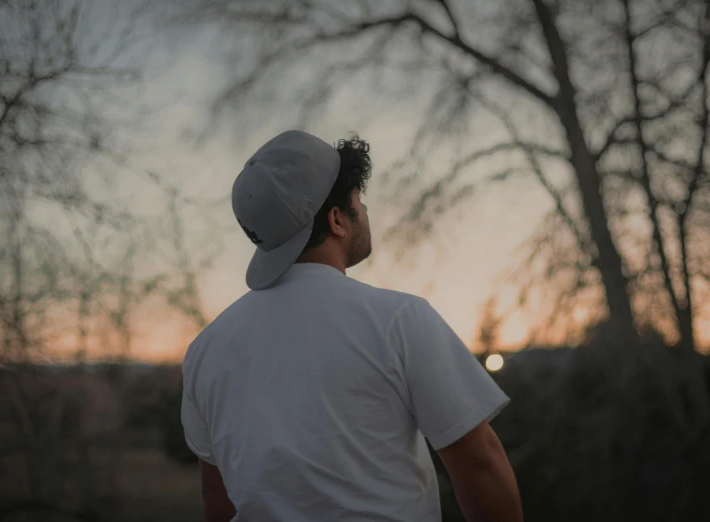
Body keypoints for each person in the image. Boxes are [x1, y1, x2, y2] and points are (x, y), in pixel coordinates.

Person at [181, 130, 523, 522]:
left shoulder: (205, 350)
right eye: (358, 201)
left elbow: (216, 493)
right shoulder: (398, 320)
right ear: (337, 220)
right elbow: (479, 463)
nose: (363, 211)